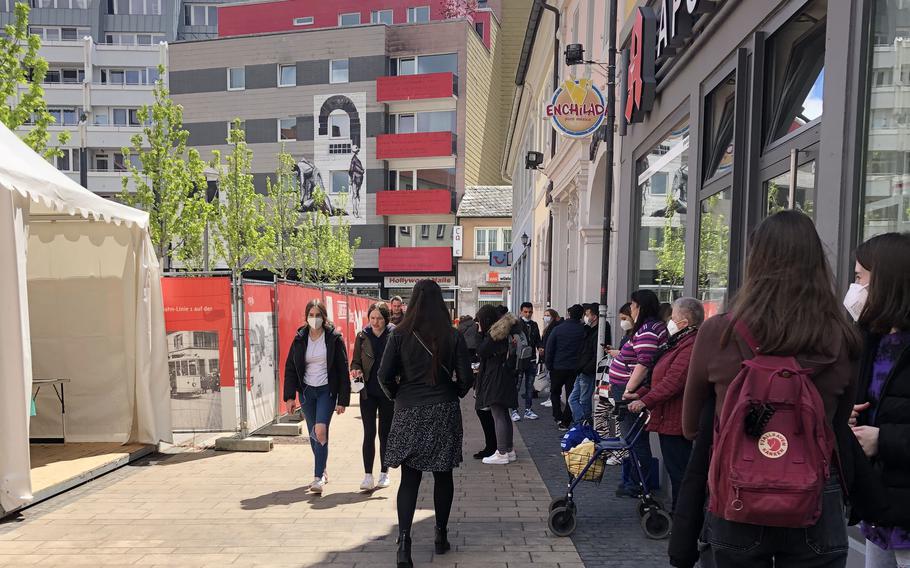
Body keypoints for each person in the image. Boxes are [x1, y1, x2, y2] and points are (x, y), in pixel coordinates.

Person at [680, 210, 862, 567]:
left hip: (737, 490)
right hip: (815, 494)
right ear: (816, 263)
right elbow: (838, 424)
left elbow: (690, 428)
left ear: (755, 261)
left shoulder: (718, 332)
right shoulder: (842, 336)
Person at [378, 280, 473, 568]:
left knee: (410, 478)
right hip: (443, 409)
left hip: (409, 410)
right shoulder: (453, 335)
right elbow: (466, 378)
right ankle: (440, 535)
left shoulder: (399, 334)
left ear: (412, 301)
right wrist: (453, 393)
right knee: (443, 475)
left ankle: (404, 542)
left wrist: (398, 396)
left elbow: (383, 375)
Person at [847, 232, 910, 568]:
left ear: (887, 282)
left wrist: (883, 440)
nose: (854, 289)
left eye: (859, 278)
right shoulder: (873, 340)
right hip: (879, 506)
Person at [628, 297, 703, 509]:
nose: (670, 321)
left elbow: (673, 381)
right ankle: (680, 511)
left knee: (679, 470)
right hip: (668, 415)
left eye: (674, 317)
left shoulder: (689, 346)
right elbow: (660, 377)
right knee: (676, 468)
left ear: (684, 322)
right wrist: (641, 393)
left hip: (677, 419)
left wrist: (645, 401)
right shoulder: (679, 342)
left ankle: (682, 514)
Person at [283, 299, 351, 494]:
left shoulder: (334, 338)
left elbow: (342, 368)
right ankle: (322, 468)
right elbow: (290, 368)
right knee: (314, 434)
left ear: (324, 317)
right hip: (306, 392)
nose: (314, 319)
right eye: (311, 315)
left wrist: (343, 400)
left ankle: (317, 477)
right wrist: (289, 397)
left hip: (326, 391)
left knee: (321, 431)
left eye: (318, 315)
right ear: (306, 317)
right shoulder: (299, 338)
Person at [615, 290, 667, 497]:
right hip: (630, 388)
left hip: (631, 390)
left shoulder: (647, 330)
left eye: (633, 305)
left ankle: (639, 485)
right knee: (634, 439)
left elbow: (644, 363)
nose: (631, 309)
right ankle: (637, 481)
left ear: (640, 307)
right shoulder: (650, 328)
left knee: (635, 439)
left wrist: (628, 389)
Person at [350, 302, 395, 492]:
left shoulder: (394, 334)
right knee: (369, 433)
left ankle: (384, 473)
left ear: (386, 319)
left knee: (385, 433)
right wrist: (356, 369)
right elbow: (355, 362)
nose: (375, 322)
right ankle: (368, 475)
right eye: (373, 318)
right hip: (367, 392)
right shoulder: (362, 335)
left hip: (387, 392)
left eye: (379, 319)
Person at [473, 305, 521, 465]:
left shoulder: (494, 335)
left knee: (498, 414)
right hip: (505, 375)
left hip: (496, 377)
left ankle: (501, 453)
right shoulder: (507, 330)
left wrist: (480, 333)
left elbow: (481, 351)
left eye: (479, 321)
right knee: (505, 414)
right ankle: (509, 449)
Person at [594, 303, 634, 441]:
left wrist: (619, 353)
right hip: (616, 383)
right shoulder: (627, 335)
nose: (622, 322)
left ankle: (621, 452)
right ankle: (609, 447)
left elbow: (633, 359)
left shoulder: (636, 336)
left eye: (624, 319)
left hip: (624, 385)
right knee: (604, 414)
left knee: (621, 420)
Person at [545, 304, 587, 430]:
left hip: (557, 367)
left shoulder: (558, 329)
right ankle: (566, 420)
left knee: (555, 392)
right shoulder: (583, 330)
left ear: (569, 314)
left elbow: (550, 348)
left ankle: (557, 416)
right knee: (571, 395)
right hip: (574, 368)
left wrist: (549, 365)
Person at [569, 303, 604, 426]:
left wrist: (586, 368)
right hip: (582, 370)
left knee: (583, 400)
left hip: (586, 371)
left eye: (587, 314)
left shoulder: (600, 331)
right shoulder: (588, 330)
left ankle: (584, 427)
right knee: (572, 399)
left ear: (594, 317)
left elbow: (595, 354)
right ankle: (581, 424)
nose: (585, 317)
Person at [512, 302, 542, 421]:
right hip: (520, 359)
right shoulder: (516, 324)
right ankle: (514, 410)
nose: (528, 314)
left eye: (530, 312)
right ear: (521, 311)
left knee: (529, 386)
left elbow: (538, 339)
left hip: (532, 359)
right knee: (517, 386)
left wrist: (540, 347)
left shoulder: (534, 325)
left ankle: (528, 410)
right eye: (525, 312)